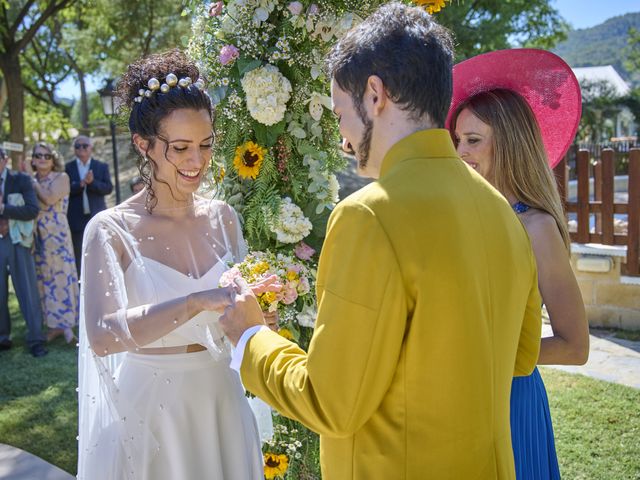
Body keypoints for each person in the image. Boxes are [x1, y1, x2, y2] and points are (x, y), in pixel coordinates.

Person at [219, 3, 542, 478]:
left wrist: (251, 337)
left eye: (339, 113)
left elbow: (332, 403)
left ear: (375, 95)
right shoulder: (501, 210)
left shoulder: (368, 215)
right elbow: (522, 355)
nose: (343, 139)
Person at [76, 50, 263, 480]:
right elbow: (103, 336)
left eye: (205, 145)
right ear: (144, 144)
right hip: (155, 416)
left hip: (221, 402)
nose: (196, 161)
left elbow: (233, 319)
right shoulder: (110, 230)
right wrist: (196, 301)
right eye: (179, 148)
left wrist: (256, 314)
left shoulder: (224, 218)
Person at [448, 49, 590, 480]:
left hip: (512, 402)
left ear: (508, 141)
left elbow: (575, 346)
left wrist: (491, 354)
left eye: (474, 140)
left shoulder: (537, 227)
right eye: (456, 140)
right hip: (457, 400)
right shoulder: (459, 218)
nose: (460, 152)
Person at [27, 142, 79, 343]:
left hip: (57, 233)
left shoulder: (62, 177)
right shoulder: (30, 180)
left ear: (53, 159)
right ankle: (52, 325)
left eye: (47, 156)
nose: (42, 158)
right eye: (38, 155)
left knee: (61, 276)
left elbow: (49, 199)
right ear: (32, 159)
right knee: (44, 279)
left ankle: (67, 326)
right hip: (37, 233)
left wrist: (33, 184)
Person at [0, 147, 48, 357]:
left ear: (5, 159)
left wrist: (3, 210)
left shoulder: (20, 179)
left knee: (27, 291)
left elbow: (31, 210)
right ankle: (3, 337)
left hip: (18, 240)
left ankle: (36, 339)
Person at [65, 135, 113, 277]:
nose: (81, 149)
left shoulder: (101, 166)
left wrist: (92, 183)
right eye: (77, 146)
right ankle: (82, 288)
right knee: (80, 254)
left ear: (91, 148)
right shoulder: (68, 168)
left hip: (96, 216)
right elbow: (65, 190)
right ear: (74, 150)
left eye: (84, 145)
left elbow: (108, 188)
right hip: (76, 219)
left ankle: (104, 280)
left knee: (101, 252)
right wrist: (80, 184)